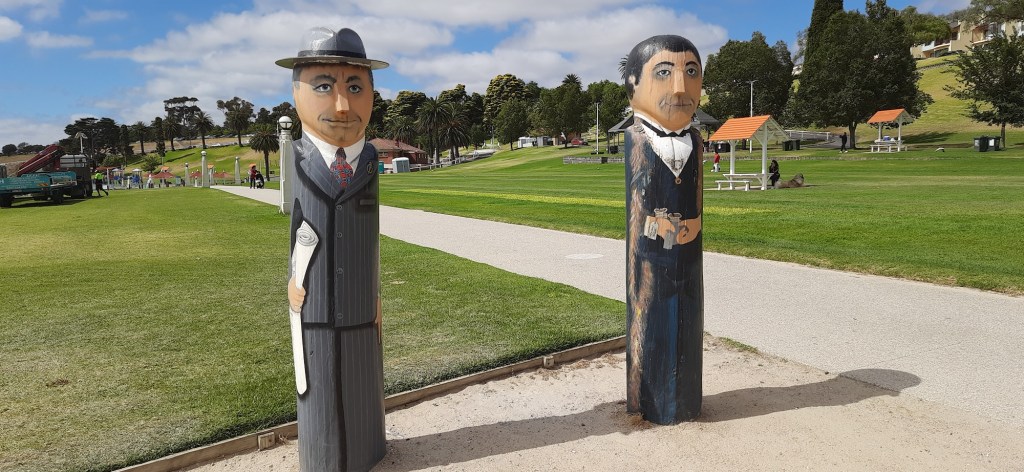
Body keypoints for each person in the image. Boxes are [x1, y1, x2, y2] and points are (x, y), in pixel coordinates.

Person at [277, 26, 387, 471]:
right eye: (324, 86)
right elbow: (297, 228)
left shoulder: (371, 159)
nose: (342, 106)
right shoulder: (297, 157)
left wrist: (375, 293)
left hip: (361, 308)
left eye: (355, 87)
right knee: (319, 389)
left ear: (372, 94)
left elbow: (370, 233)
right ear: (297, 93)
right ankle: (323, 457)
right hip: (315, 308)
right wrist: (293, 280)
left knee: (363, 387)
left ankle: (367, 449)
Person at [623, 34, 704, 425]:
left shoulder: (696, 140)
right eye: (664, 73)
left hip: (690, 260)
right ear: (633, 84)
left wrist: (692, 225)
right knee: (653, 326)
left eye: (691, 72)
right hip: (650, 263)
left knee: (689, 324)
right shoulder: (637, 138)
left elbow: (696, 194)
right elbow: (638, 207)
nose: (680, 87)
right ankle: (651, 402)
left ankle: (687, 400)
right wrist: (661, 228)